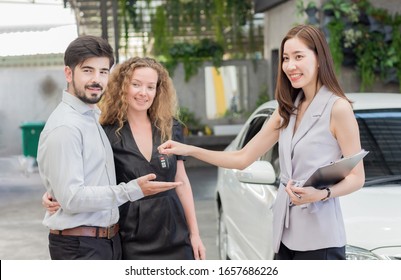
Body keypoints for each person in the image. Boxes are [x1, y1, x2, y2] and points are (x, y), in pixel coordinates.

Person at [158, 24, 366, 260]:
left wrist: (322, 194)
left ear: (319, 59)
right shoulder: (287, 109)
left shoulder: (338, 108)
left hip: (321, 238)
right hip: (284, 234)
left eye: (299, 57)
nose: (290, 66)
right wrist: (189, 149)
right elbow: (242, 158)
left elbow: (357, 178)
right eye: (286, 58)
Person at [43, 56, 206, 260]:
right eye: (136, 85)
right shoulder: (106, 132)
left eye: (150, 87)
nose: (143, 93)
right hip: (130, 237)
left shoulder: (170, 127)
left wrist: (195, 234)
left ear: (158, 91)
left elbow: (182, 183)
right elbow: (82, 174)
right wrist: (52, 193)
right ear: (123, 87)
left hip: (175, 231)